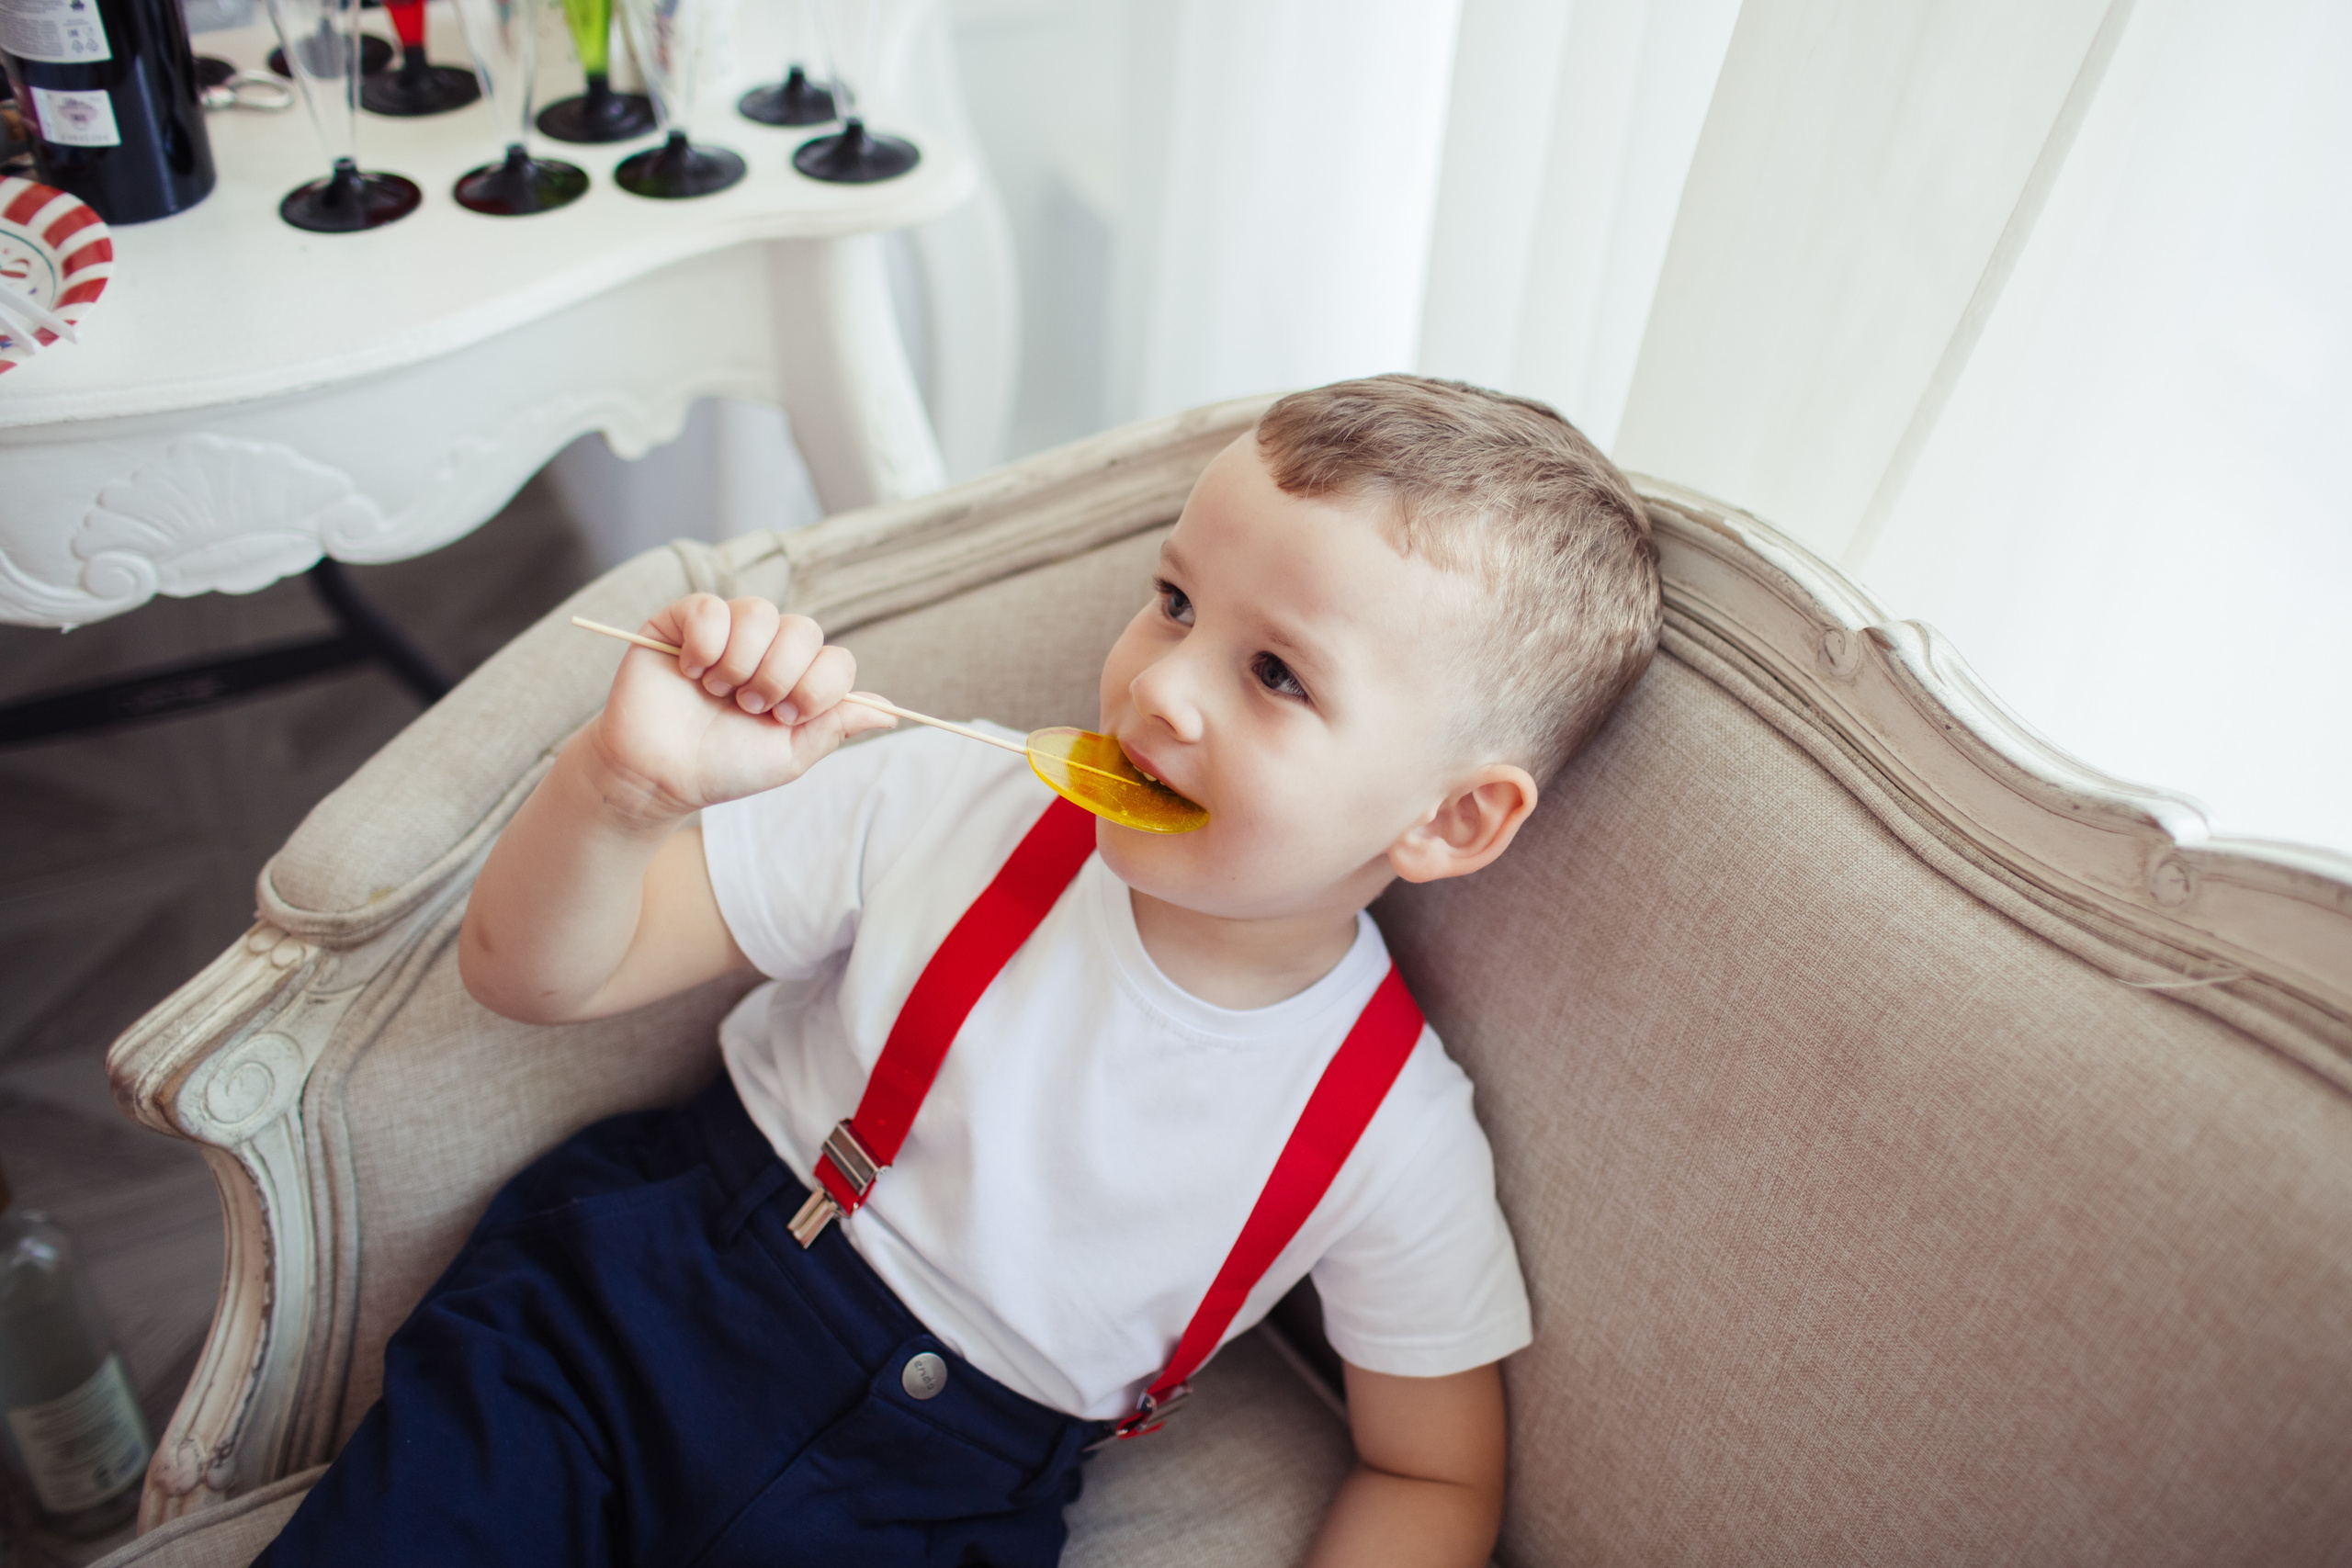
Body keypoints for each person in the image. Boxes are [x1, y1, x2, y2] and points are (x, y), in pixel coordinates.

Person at [254, 376, 1662, 1568]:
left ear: (1450, 821)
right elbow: (530, 977)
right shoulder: (945, 803)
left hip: (931, 1507)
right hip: (633, 1317)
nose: (1160, 688)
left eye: (1277, 675)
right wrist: (623, 791)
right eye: (1175, 601)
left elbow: (1433, 1473)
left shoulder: (1393, 1134)